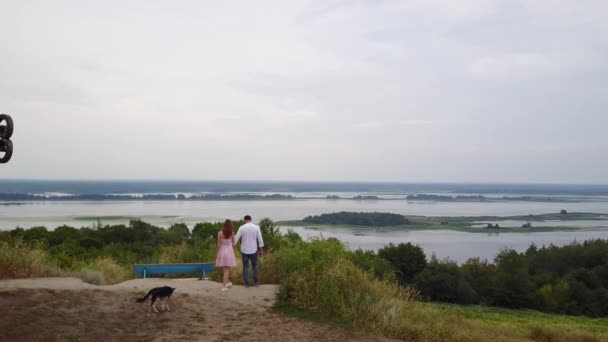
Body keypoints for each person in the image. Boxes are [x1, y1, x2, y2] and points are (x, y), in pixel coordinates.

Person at [234, 215, 264, 287]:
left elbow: (236, 239)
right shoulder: (256, 227)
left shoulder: (241, 228)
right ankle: (256, 283)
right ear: (251, 219)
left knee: (245, 267)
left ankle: (247, 284)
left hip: (244, 250)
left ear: (245, 220)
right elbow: (260, 239)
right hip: (253, 250)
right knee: (255, 266)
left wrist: (232, 248)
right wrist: (261, 250)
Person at [215, 219, 237, 291]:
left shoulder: (220, 233)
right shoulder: (232, 233)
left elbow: (218, 244)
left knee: (225, 269)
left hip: (222, 251)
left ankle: (227, 282)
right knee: (226, 269)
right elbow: (234, 245)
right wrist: (233, 252)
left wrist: (216, 253)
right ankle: (224, 286)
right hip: (229, 251)